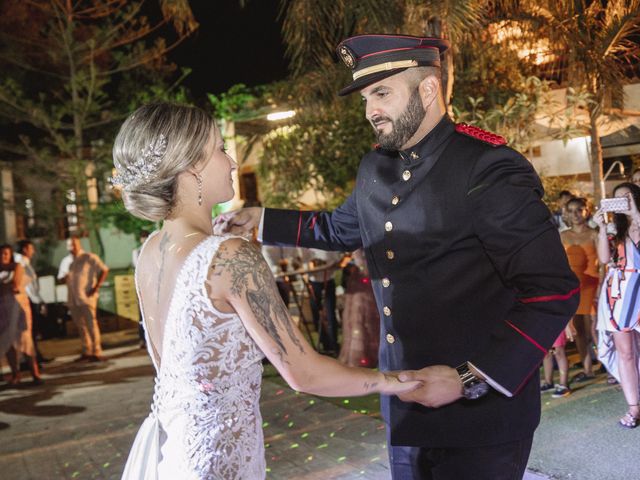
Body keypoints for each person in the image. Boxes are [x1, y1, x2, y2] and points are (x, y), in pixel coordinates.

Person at [215, 34, 579, 479]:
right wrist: (261, 220)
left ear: (428, 90)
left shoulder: (488, 166)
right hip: (405, 407)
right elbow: (341, 228)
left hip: (481, 415)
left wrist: (470, 377)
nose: (371, 110)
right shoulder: (376, 167)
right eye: (367, 97)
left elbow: (551, 291)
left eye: (382, 92)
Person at [112, 102, 419, 480]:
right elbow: (304, 373)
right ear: (192, 165)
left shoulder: (150, 251)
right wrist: (399, 382)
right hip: (218, 462)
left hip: (172, 452)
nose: (231, 162)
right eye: (220, 150)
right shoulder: (230, 256)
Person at [593, 182, 640, 428]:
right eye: (618, 198)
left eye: (628, 196)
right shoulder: (614, 229)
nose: (624, 201)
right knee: (626, 353)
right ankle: (634, 407)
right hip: (621, 294)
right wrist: (601, 228)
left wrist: (635, 215)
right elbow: (603, 258)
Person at [561, 197, 599, 383]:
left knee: (596, 329)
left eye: (579, 210)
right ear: (566, 213)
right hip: (574, 288)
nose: (575, 214)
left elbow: (603, 262)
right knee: (579, 331)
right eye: (572, 210)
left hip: (594, 286)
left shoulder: (594, 233)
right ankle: (587, 369)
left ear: (586, 210)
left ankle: (608, 365)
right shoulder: (563, 236)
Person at [57, 237, 109, 362]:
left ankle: (97, 351)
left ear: (79, 245)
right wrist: (64, 278)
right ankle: (87, 350)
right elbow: (60, 277)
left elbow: (104, 270)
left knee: (91, 324)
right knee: (81, 325)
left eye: (74, 244)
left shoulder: (89, 257)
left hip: (86, 296)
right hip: (72, 298)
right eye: (69, 245)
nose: (72, 247)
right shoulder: (66, 261)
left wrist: (96, 287)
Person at [0, 244, 42, 385]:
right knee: (8, 343)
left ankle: (35, 373)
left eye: (5, 253)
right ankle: (15, 374)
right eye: (1, 254)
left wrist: (10, 286)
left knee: (25, 340)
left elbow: (15, 285)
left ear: (10, 254)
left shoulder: (17, 266)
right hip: (3, 310)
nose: (3, 256)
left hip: (17, 308)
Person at [339, 249, 380, 368]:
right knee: (361, 317)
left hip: (365, 278)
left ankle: (370, 354)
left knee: (365, 317)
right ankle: (365, 356)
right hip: (363, 278)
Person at [300, 248, 343, 354]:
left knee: (330, 313)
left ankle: (333, 344)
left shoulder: (327, 242)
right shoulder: (306, 245)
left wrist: (328, 265)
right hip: (314, 282)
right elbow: (304, 262)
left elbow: (336, 260)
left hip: (328, 280)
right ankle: (324, 343)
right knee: (316, 315)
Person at [16, 239, 51, 365]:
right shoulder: (21, 262)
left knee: (33, 331)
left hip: (32, 299)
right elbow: (28, 285)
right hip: (29, 300)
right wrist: (38, 301)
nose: (33, 251)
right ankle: (28, 360)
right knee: (29, 331)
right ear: (25, 249)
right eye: (31, 248)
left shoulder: (25, 262)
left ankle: (35, 356)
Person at [132, 230, 150, 348]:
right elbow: (136, 265)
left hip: (152, 284)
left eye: (145, 237)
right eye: (142, 237)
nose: (144, 239)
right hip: (142, 284)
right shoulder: (137, 251)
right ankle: (142, 339)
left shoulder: (152, 249)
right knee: (142, 313)